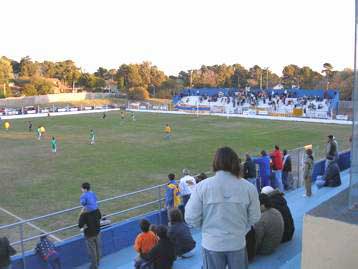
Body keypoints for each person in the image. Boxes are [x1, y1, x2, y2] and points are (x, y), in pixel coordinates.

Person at [185, 147, 261, 269]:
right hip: (236, 243)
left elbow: (191, 217)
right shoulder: (248, 188)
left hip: (212, 244)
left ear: (215, 163)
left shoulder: (202, 187)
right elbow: (255, 217)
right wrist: (240, 230)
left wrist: (207, 229)